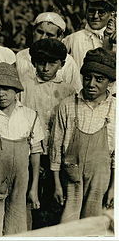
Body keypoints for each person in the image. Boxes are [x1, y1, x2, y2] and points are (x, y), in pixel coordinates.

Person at [0, 62, 44, 236]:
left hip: (21, 184)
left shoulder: (30, 116)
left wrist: (33, 188)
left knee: (18, 224)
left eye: (6, 88)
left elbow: (35, 154)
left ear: (16, 89)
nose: (1, 94)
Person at [50, 48, 115, 222]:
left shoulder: (115, 108)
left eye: (99, 79)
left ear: (109, 81)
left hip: (101, 180)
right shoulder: (68, 105)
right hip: (70, 179)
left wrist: (113, 188)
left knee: (93, 226)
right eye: (87, 78)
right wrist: (56, 183)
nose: (91, 84)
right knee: (68, 225)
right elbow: (56, 147)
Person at [20, 39, 76, 229]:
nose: (45, 68)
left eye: (52, 63)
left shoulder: (68, 90)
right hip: (29, 153)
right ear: (33, 62)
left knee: (53, 202)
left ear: (62, 64)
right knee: (28, 201)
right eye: (40, 62)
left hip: (56, 155)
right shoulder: (24, 86)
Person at [16, 12, 82, 92]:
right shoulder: (20, 56)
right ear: (33, 31)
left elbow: (75, 91)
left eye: (50, 34)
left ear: (59, 37)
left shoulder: (68, 62)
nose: (43, 37)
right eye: (40, 32)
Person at [63, 0, 116, 68]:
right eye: (91, 11)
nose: (95, 16)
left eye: (101, 12)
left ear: (112, 14)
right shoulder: (73, 39)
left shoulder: (115, 41)